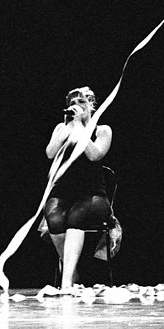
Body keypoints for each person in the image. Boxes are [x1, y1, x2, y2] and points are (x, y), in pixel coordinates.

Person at [43, 86, 113, 291]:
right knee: (54, 219)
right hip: (63, 193)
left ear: (91, 104)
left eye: (81, 102)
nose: (76, 106)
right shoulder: (61, 128)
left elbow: (94, 154)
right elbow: (50, 153)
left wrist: (82, 127)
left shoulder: (102, 130)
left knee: (75, 218)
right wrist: (68, 128)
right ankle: (72, 273)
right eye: (72, 103)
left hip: (92, 195)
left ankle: (66, 285)